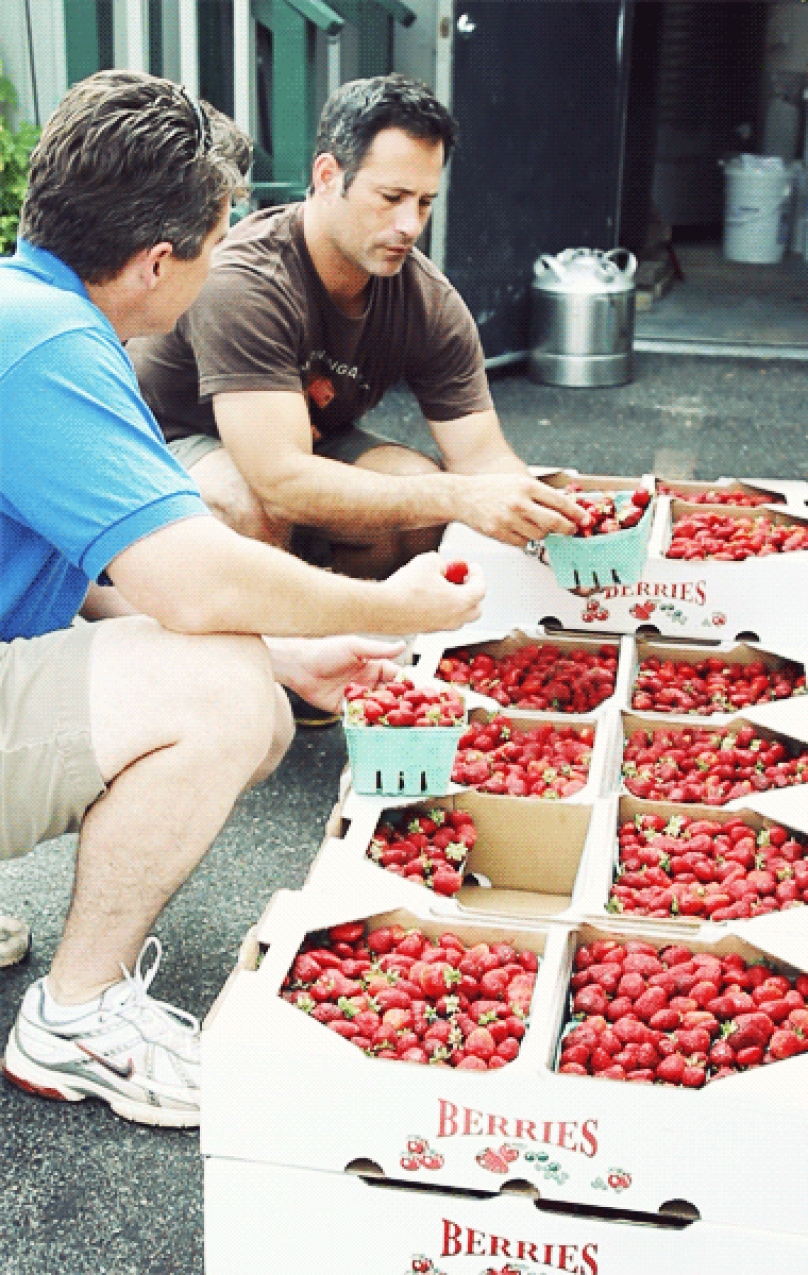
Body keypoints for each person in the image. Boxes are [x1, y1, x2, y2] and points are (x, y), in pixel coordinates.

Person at [0, 69, 484, 1128]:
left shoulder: (18, 308)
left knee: (240, 659)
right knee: (222, 693)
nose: (221, 260)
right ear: (157, 260)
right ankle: (75, 1020)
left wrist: (287, 651)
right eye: (215, 239)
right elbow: (191, 576)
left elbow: (87, 579)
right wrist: (391, 609)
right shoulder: (51, 347)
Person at [128, 73, 586, 588]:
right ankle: (269, 651)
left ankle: (351, 640)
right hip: (168, 442)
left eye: (424, 202)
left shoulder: (428, 302)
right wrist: (461, 496)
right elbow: (279, 481)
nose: (410, 225)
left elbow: (481, 458)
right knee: (248, 506)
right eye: (391, 197)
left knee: (419, 499)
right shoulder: (247, 282)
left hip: (298, 444)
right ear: (328, 176)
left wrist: (564, 523)